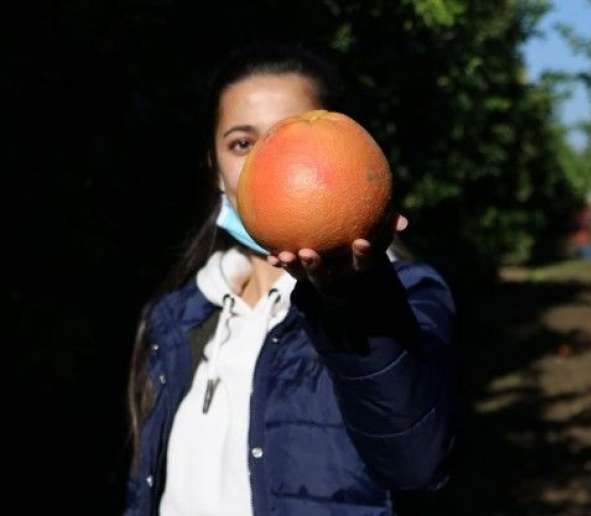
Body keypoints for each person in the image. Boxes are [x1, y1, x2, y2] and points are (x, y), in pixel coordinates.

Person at [123, 42, 456, 516]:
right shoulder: (176, 318)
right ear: (214, 168)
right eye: (242, 143)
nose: (265, 162)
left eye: (289, 138)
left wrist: (355, 308)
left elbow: (418, 464)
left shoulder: (405, 294)